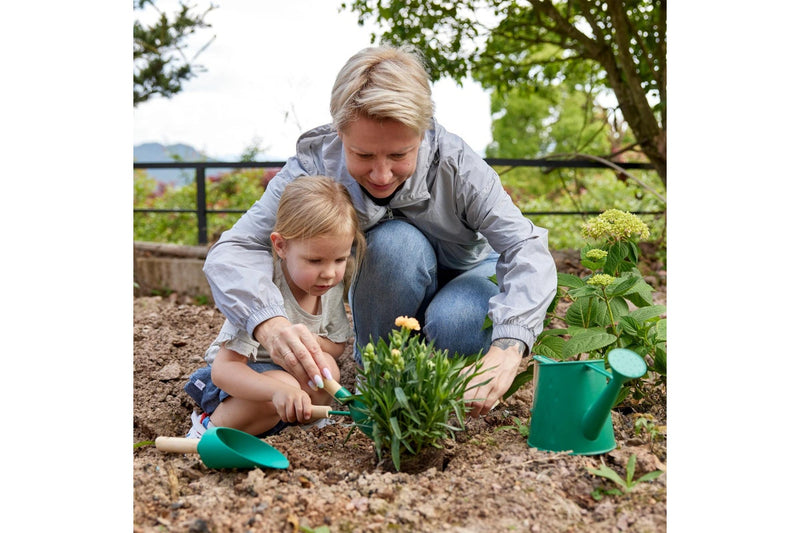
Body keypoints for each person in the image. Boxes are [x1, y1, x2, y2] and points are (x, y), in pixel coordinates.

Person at [203, 45, 558, 418]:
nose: (382, 175)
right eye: (364, 156)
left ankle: (437, 382)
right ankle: (382, 382)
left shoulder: (458, 165)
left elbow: (525, 246)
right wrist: (269, 323)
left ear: (422, 133)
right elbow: (236, 248)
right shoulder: (315, 165)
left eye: (400, 155)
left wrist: (508, 347)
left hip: (469, 272)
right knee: (392, 244)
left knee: (455, 326)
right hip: (395, 273)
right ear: (340, 133)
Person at [184, 175, 365, 438]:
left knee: (325, 366)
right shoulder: (260, 290)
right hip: (238, 382)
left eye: (339, 259)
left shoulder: (328, 287)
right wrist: (278, 391)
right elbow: (225, 370)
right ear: (281, 246)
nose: (329, 273)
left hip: (285, 385)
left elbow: (337, 344)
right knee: (286, 383)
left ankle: (305, 427)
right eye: (315, 260)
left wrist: (309, 343)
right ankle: (210, 429)